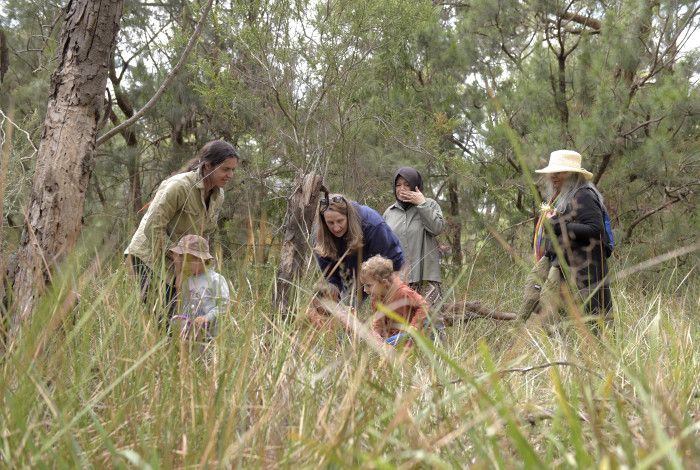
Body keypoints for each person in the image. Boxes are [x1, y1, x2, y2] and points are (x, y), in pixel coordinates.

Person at [125, 140, 239, 323]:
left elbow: (205, 234)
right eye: (225, 169)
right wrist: (179, 257)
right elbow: (152, 227)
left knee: (183, 319)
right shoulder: (179, 186)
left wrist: (200, 263)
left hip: (180, 263)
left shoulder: (219, 195)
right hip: (148, 257)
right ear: (208, 166)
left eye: (233, 170)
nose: (230, 175)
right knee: (162, 321)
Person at [520, 149, 613, 328]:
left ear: (574, 175)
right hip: (565, 265)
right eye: (552, 172)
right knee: (547, 310)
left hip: (584, 270)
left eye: (560, 172)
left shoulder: (584, 195)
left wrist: (556, 225)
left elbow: (596, 230)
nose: (554, 176)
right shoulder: (564, 196)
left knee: (595, 322)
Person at [384, 167, 445, 332]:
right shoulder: (389, 213)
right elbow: (385, 245)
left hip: (426, 277)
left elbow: (437, 228)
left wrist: (422, 204)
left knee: (432, 325)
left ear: (415, 186)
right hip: (399, 280)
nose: (402, 189)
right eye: (398, 185)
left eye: (406, 184)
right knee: (402, 327)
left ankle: (438, 357)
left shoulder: (429, 204)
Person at [314, 193, 404, 303]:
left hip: (380, 274)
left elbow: (394, 260)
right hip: (349, 277)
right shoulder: (322, 237)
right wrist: (332, 292)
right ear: (324, 222)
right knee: (347, 307)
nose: (336, 228)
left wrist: (392, 293)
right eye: (330, 223)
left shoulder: (372, 225)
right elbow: (330, 276)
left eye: (340, 221)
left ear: (348, 215)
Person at [169, 234, 230, 339]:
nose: (185, 264)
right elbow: (184, 307)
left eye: (188, 260)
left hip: (211, 336)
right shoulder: (187, 282)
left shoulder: (216, 280)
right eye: (182, 260)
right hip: (191, 335)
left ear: (201, 259)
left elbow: (224, 305)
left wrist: (207, 318)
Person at [359, 255, 427, 345]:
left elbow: (423, 306)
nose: (365, 290)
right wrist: (377, 333)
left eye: (368, 285)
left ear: (384, 283)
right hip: (391, 340)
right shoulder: (376, 299)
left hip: (409, 339)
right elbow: (378, 320)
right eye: (364, 285)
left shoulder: (403, 292)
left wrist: (414, 326)